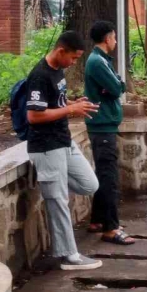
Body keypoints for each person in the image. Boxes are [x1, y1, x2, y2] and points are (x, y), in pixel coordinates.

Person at [26, 30, 103, 272]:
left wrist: (73, 104)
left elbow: (55, 103)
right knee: (58, 201)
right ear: (61, 51)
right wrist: (71, 111)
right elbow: (35, 115)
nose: (74, 63)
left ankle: (53, 186)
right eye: (74, 58)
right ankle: (69, 255)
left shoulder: (58, 71)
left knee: (90, 184)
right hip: (47, 147)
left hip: (63, 142)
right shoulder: (39, 76)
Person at [84, 20, 135, 245]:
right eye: (114, 37)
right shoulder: (97, 62)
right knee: (109, 178)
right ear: (107, 39)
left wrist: (115, 86)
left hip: (104, 124)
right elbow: (116, 88)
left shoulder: (101, 60)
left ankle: (97, 220)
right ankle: (111, 228)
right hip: (102, 125)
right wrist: (114, 86)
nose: (115, 41)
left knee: (103, 175)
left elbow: (117, 86)